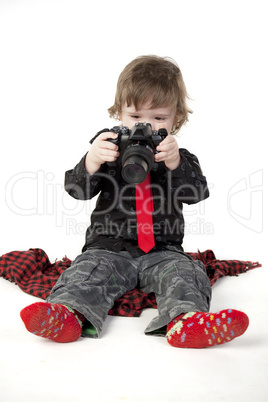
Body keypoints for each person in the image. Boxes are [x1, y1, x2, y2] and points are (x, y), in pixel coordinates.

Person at [20, 55, 249, 347]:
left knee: (186, 272)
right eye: (136, 117)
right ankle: (66, 316)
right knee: (86, 273)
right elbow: (77, 191)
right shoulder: (108, 152)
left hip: (163, 251)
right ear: (119, 114)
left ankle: (186, 322)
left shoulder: (177, 157)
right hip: (108, 248)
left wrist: (176, 162)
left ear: (176, 119)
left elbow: (197, 194)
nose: (147, 126)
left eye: (159, 118)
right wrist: (91, 161)